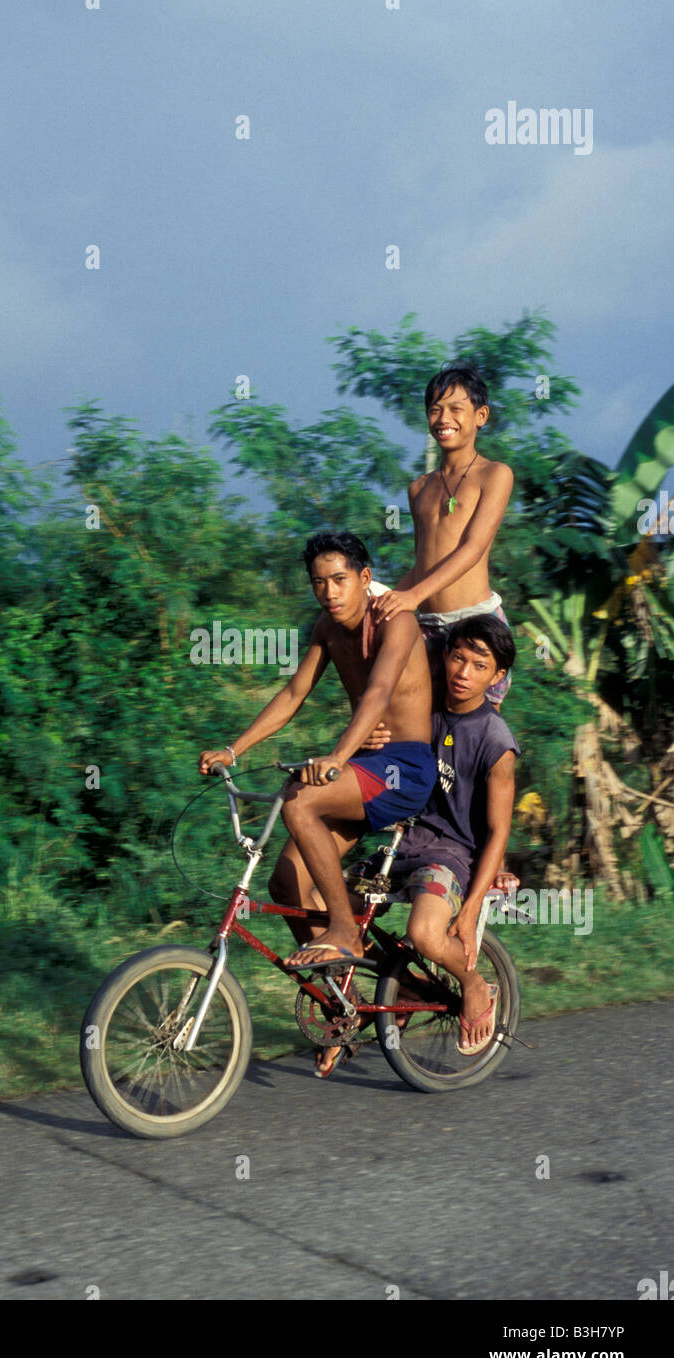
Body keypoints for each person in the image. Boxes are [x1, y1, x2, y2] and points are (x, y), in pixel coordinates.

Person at [198, 531, 437, 976]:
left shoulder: (395, 621)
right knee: (286, 882)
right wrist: (234, 750)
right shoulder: (326, 628)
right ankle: (343, 1002)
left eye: (339, 579)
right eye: (318, 582)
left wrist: (339, 756)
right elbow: (292, 694)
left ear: (365, 578)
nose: (328, 591)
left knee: (299, 798)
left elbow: (379, 692)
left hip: (404, 768)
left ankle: (345, 928)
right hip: (364, 766)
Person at [368, 613, 520, 1054]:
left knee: (426, 934)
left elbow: (497, 832)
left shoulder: (496, 741)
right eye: (457, 658)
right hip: (403, 843)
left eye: (479, 665)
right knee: (329, 908)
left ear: (497, 676)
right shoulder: (423, 709)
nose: (463, 673)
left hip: (451, 855)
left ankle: (474, 984)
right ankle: (364, 1004)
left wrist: (469, 912)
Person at [372, 365, 514, 708]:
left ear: (480, 416)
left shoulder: (495, 474)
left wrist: (411, 597)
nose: (443, 418)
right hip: (428, 627)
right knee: (421, 728)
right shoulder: (419, 488)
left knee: (477, 733)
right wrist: (386, 601)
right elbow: (423, 563)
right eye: (435, 409)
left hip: (476, 621)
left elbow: (473, 548)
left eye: (455, 409)